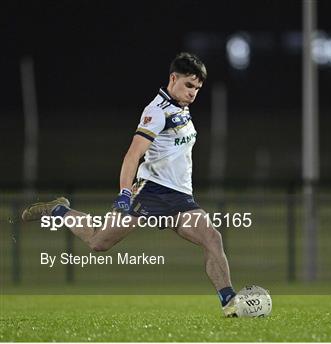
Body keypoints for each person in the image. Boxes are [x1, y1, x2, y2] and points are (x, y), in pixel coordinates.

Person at [21, 52, 239, 316]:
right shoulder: (156, 112)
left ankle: (230, 303)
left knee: (212, 238)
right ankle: (58, 210)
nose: (193, 92)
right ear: (173, 78)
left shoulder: (181, 107)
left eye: (198, 88)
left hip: (180, 198)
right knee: (98, 243)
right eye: (189, 85)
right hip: (150, 191)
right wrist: (125, 193)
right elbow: (133, 154)